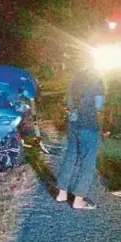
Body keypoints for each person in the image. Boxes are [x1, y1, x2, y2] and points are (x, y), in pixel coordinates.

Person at [55, 49, 105, 209]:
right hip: (89, 125)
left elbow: (69, 102)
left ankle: (61, 194)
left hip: (73, 123)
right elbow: (98, 105)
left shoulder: (74, 80)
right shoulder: (97, 81)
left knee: (70, 157)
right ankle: (78, 200)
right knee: (87, 161)